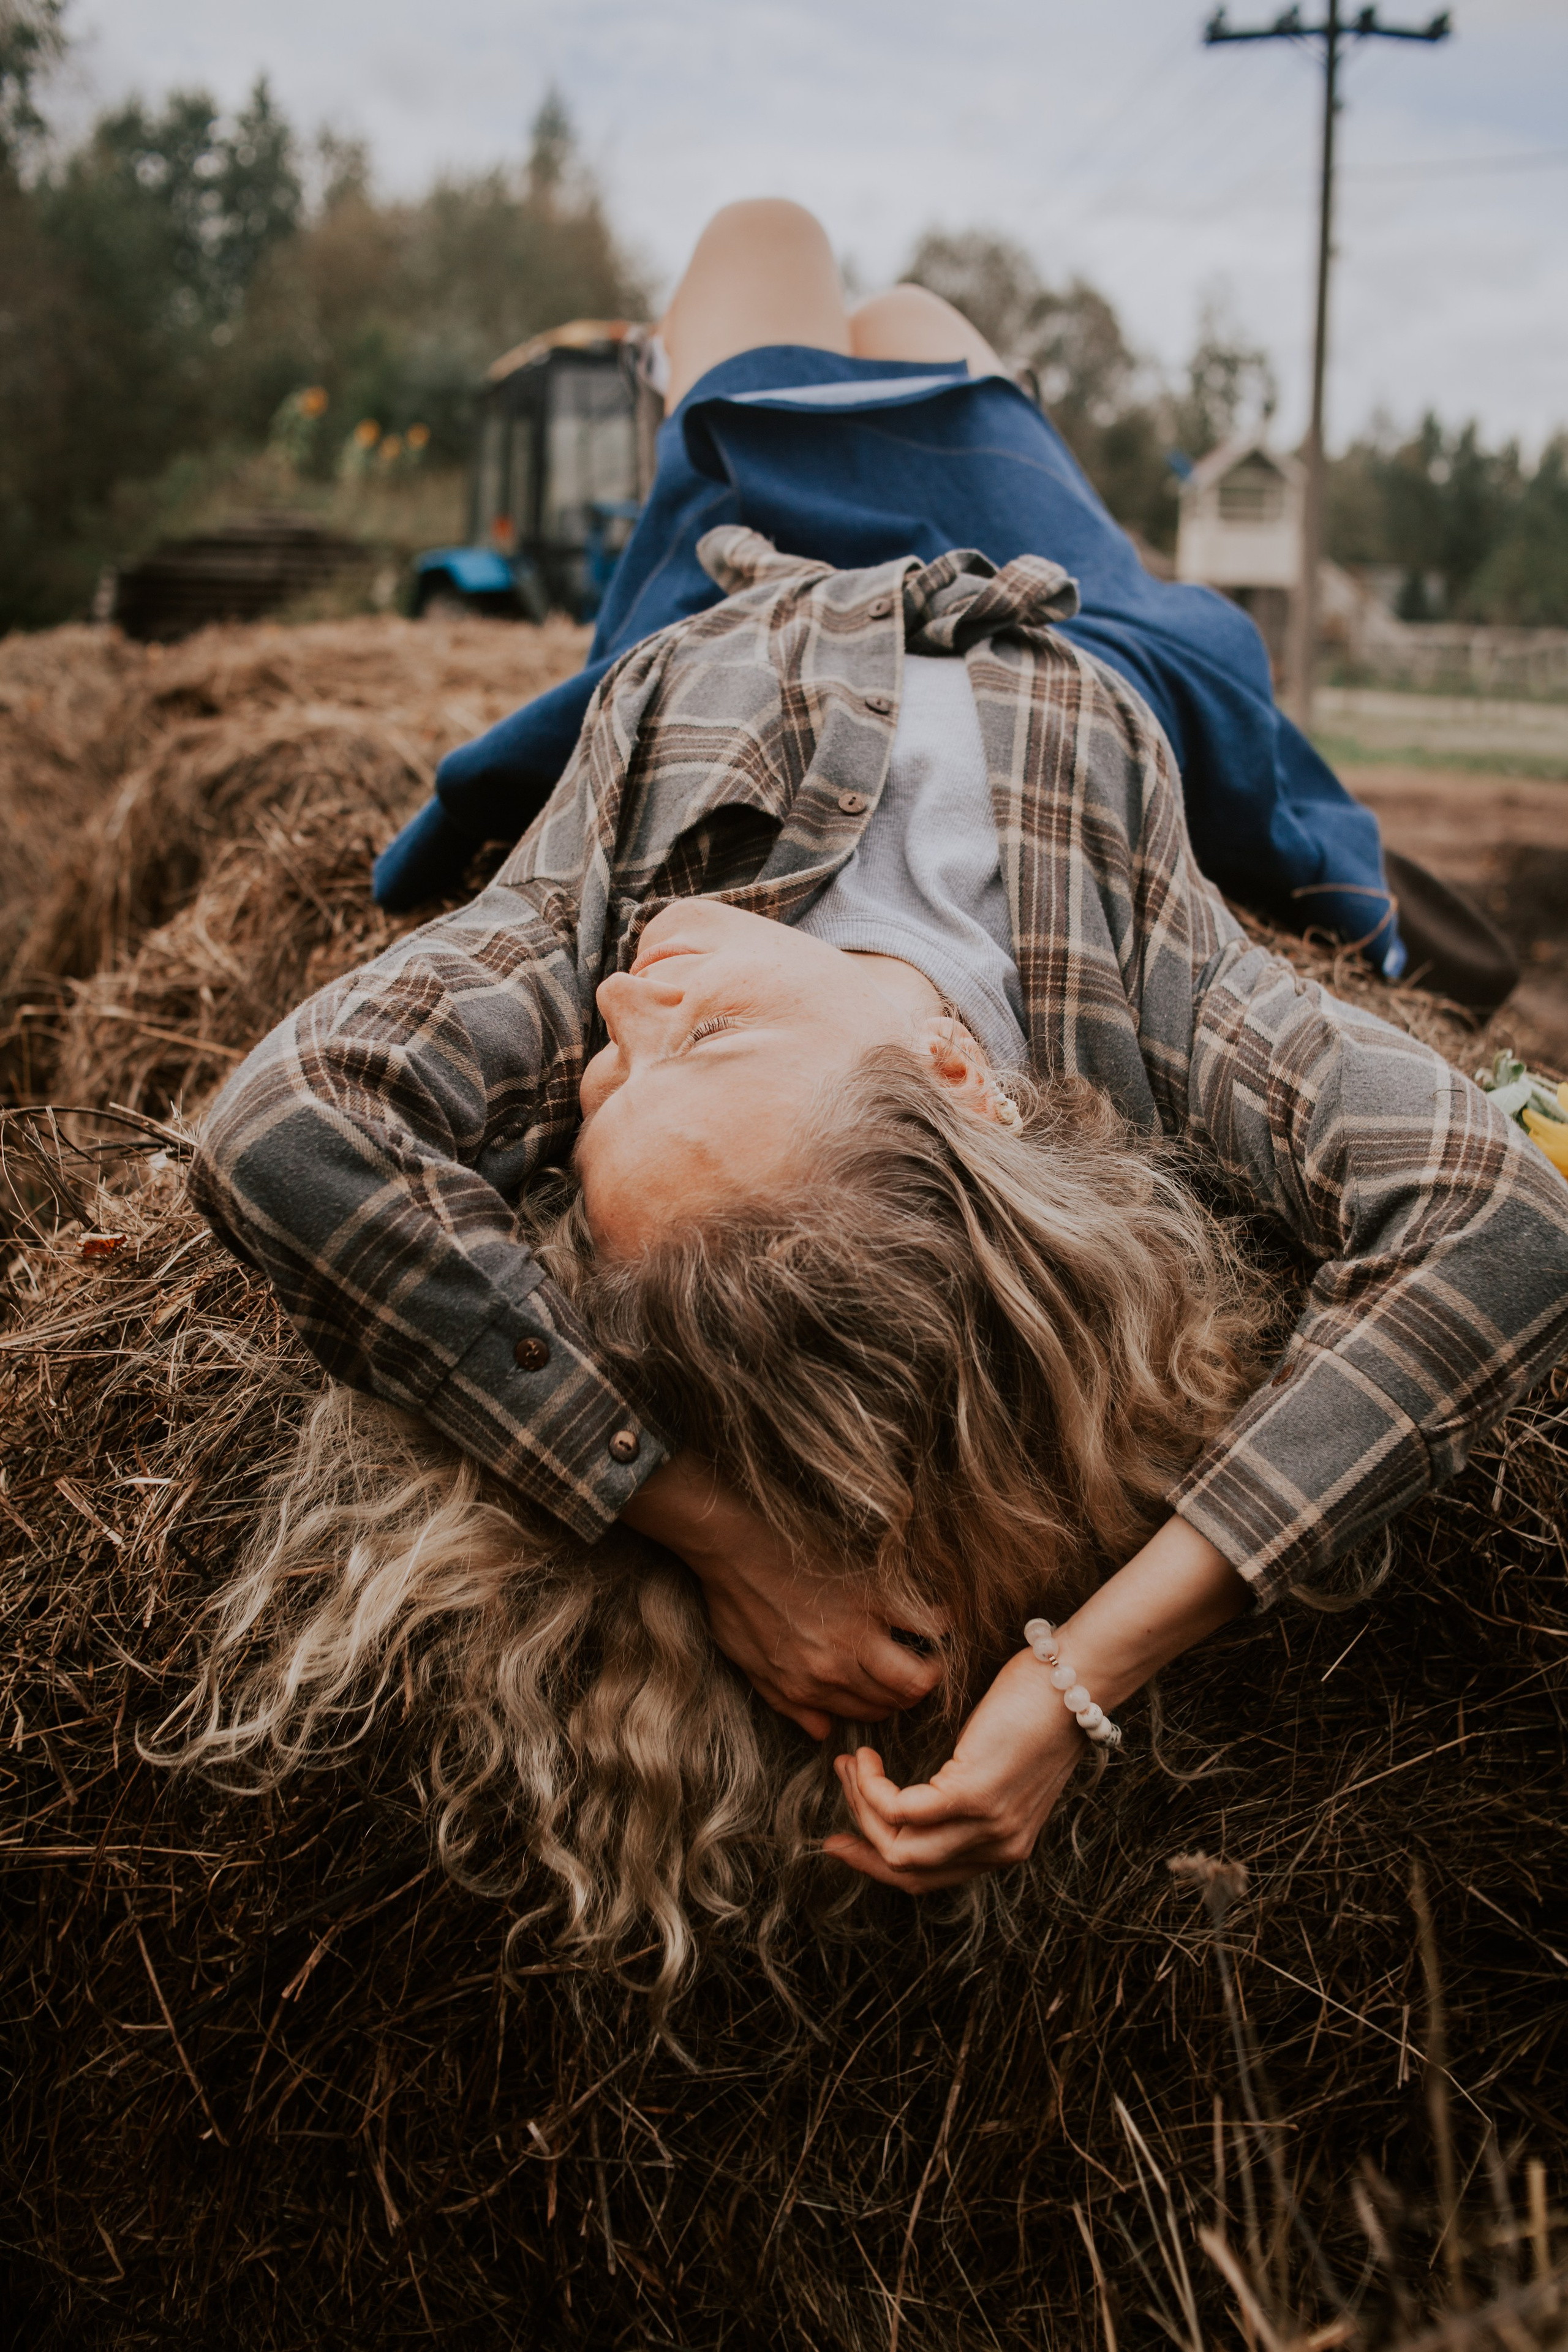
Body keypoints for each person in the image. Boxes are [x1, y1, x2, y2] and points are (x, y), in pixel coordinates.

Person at [187, 202, 1568, 1930]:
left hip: (738, 570)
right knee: (918, 316)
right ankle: (940, 386)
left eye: (605, 1090)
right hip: (1066, 609)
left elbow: (285, 1127)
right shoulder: (1143, 1009)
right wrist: (1083, 1674)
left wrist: (699, 1521)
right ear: (953, 1072)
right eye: (707, 1037)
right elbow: (1504, 1220)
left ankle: (755, 358)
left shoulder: (608, 923)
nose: (621, 1012)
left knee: (763, 237)